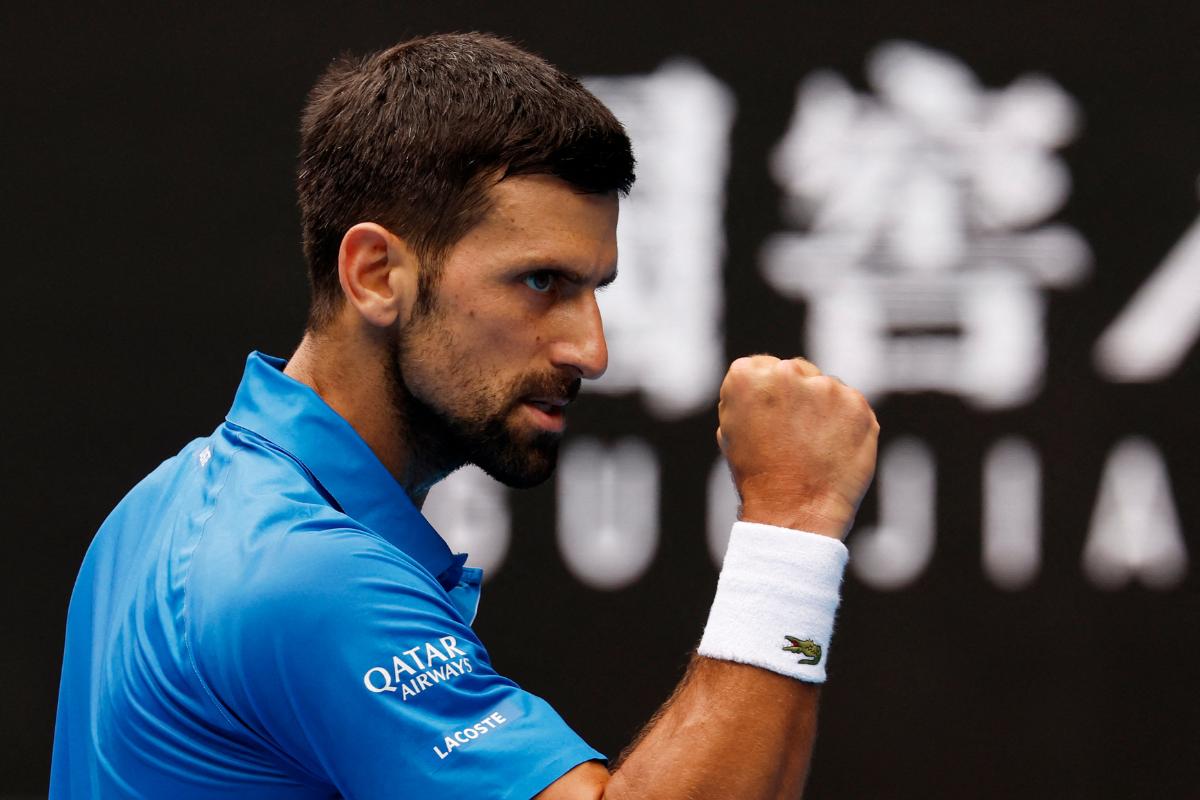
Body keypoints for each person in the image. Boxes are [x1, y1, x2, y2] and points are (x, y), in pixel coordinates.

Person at [50, 32, 879, 799]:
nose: (590, 350)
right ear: (376, 274)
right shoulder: (306, 579)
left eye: (595, 291)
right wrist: (791, 518)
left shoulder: (158, 509)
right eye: (540, 283)